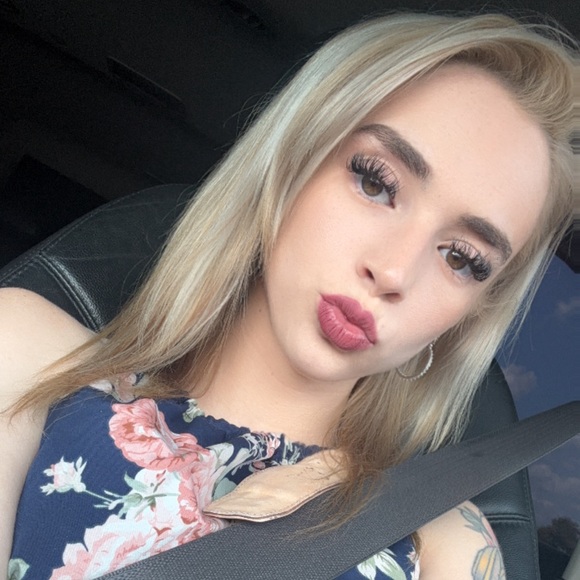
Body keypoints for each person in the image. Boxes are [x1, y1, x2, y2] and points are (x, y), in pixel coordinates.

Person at [1, 10, 577, 580]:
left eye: (461, 258)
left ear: (468, 317)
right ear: (292, 161)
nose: (394, 270)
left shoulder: (445, 540)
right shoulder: (32, 356)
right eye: (375, 182)